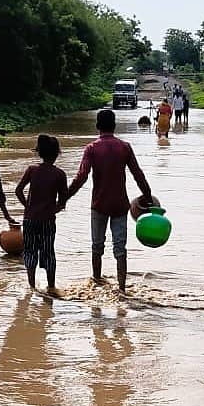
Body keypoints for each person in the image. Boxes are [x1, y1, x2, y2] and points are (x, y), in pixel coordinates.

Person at [67, 109, 154, 292]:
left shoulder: (91, 149)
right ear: (114, 126)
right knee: (120, 248)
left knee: (97, 246)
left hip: (99, 204)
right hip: (120, 205)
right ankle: (122, 289)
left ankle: (96, 283)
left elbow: (81, 177)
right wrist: (148, 197)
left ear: (97, 126)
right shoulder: (124, 147)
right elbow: (138, 175)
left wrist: (64, 197)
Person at [15, 134, 68, 293]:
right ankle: (51, 287)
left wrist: (27, 206)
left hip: (30, 219)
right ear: (57, 153)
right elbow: (63, 201)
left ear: (39, 152)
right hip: (47, 220)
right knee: (48, 252)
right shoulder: (59, 174)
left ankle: (31, 287)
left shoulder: (32, 170)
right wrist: (54, 210)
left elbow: (18, 191)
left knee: (30, 251)